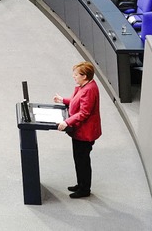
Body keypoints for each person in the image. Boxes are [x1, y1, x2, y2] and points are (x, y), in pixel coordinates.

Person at [53, 61, 102, 199]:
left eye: (76, 75)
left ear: (84, 76)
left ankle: (84, 189)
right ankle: (81, 184)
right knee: (79, 159)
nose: (73, 77)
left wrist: (66, 122)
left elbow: (84, 113)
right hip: (80, 131)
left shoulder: (89, 90)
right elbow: (76, 101)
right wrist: (63, 100)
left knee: (82, 161)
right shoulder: (85, 86)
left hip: (85, 133)